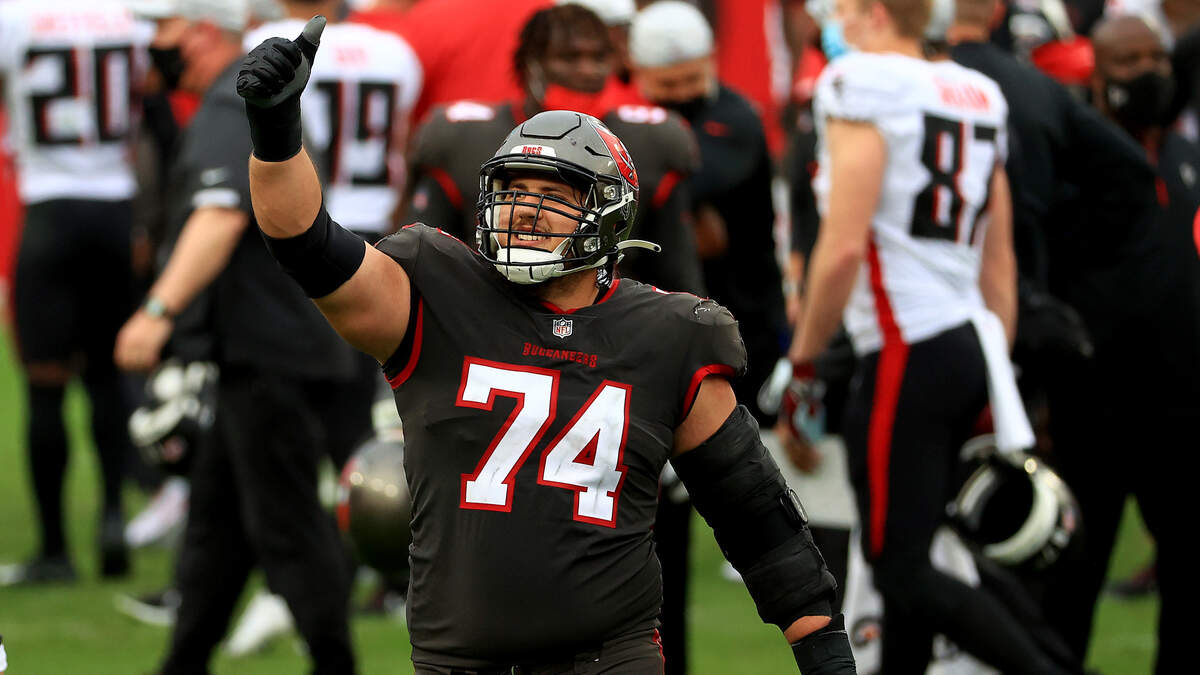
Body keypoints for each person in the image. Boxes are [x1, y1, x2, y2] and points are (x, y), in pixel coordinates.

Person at [236, 15, 857, 674]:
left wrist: (825, 653)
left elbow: (758, 520)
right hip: (458, 661)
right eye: (512, 190)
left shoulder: (668, 332)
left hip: (607, 660)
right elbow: (304, 242)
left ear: (608, 213)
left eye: (553, 194)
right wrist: (275, 132)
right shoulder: (437, 290)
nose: (525, 209)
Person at [782, 0, 1081, 671]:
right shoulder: (976, 94)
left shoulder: (860, 82)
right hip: (970, 341)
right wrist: (995, 365)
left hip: (906, 345)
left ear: (875, 12)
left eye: (843, 6)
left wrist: (802, 361)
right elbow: (997, 261)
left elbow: (842, 248)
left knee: (900, 566)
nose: (833, 19)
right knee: (912, 568)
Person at [112, 1, 358, 672]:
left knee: (289, 529)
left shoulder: (230, 101)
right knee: (215, 533)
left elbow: (220, 216)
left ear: (202, 31)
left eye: (163, 29)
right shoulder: (230, 97)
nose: (153, 45)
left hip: (269, 347)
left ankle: (336, 663)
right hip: (257, 345)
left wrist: (156, 310)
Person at [1034, 13, 1200, 672]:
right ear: (1097, 77)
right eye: (1130, 62)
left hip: (1182, 410)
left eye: (1156, 59)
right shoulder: (1071, 166)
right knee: (1069, 586)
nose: (1149, 73)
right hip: (1091, 408)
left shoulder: (1185, 156)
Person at [404, 3, 705, 295]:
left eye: (598, 57)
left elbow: (679, 275)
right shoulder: (462, 137)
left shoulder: (650, 141)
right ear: (531, 62)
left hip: (605, 315)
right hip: (492, 308)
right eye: (569, 57)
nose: (587, 70)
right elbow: (423, 264)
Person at [0, 0, 144, 585]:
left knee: (44, 385)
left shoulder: (16, 17)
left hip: (48, 210)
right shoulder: (128, 17)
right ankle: (112, 517)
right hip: (116, 209)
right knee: (107, 377)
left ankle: (56, 549)